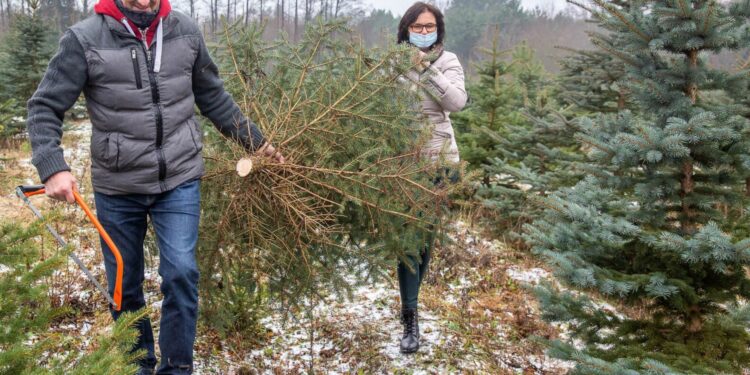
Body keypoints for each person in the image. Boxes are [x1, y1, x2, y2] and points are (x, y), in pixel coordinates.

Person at [26, 0, 284, 372]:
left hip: (178, 178)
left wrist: (255, 142)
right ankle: (138, 365)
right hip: (117, 186)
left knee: (181, 273)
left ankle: (177, 368)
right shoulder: (84, 39)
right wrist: (52, 167)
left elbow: (213, 97)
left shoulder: (185, 31)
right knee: (123, 284)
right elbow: (44, 106)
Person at [395, 2, 467, 354]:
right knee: (409, 239)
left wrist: (426, 70)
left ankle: (411, 304)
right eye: (417, 26)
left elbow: (457, 102)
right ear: (406, 28)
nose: (423, 31)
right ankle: (411, 315)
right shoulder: (393, 62)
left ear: (438, 28)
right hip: (404, 165)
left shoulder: (448, 62)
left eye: (429, 26)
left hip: (440, 164)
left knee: (425, 240)